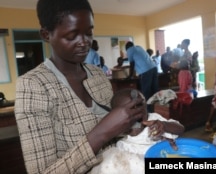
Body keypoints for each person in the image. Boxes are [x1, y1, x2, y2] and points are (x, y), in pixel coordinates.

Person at [14, 1, 146, 173]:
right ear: (46, 35)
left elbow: (119, 136)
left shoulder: (97, 75)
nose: (84, 43)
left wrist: (132, 121)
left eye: (89, 33)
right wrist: (101, 133)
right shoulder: (33, 86)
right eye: (71, 36)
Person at [90, 88, 185, 174]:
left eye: (140, 105)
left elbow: (180, 128)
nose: (137, 111)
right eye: (130, 109)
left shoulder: (154, 120)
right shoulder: (119, 133)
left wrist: (164, 125)